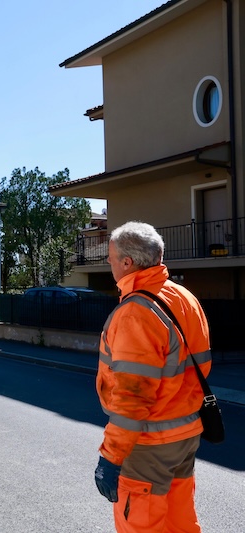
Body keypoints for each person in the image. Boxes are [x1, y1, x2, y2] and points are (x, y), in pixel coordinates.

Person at [94, 221, 211, 532]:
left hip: (149, 443)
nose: (108, 263)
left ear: (127, 262)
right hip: (185, 434)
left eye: (110, 257)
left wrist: (111, 457)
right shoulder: (183, 297)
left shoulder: (136, 313)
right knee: (180, 522)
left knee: (141, 524)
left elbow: (132, 396)